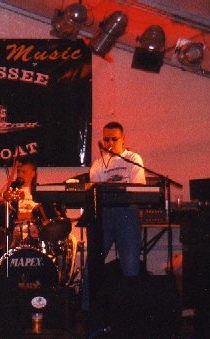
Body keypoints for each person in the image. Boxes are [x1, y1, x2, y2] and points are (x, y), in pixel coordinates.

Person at [84, 121, 145, 332]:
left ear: (123, 139)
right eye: (106, 140)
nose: (109, 143)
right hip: (104, 214)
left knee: (130, 265)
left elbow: (137, 188)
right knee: (92, 263)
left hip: (126, 213)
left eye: (114, 139)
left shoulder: (133, 159)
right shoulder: (99, 163)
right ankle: (87, 313)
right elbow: (94, 190)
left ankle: (131, 317)